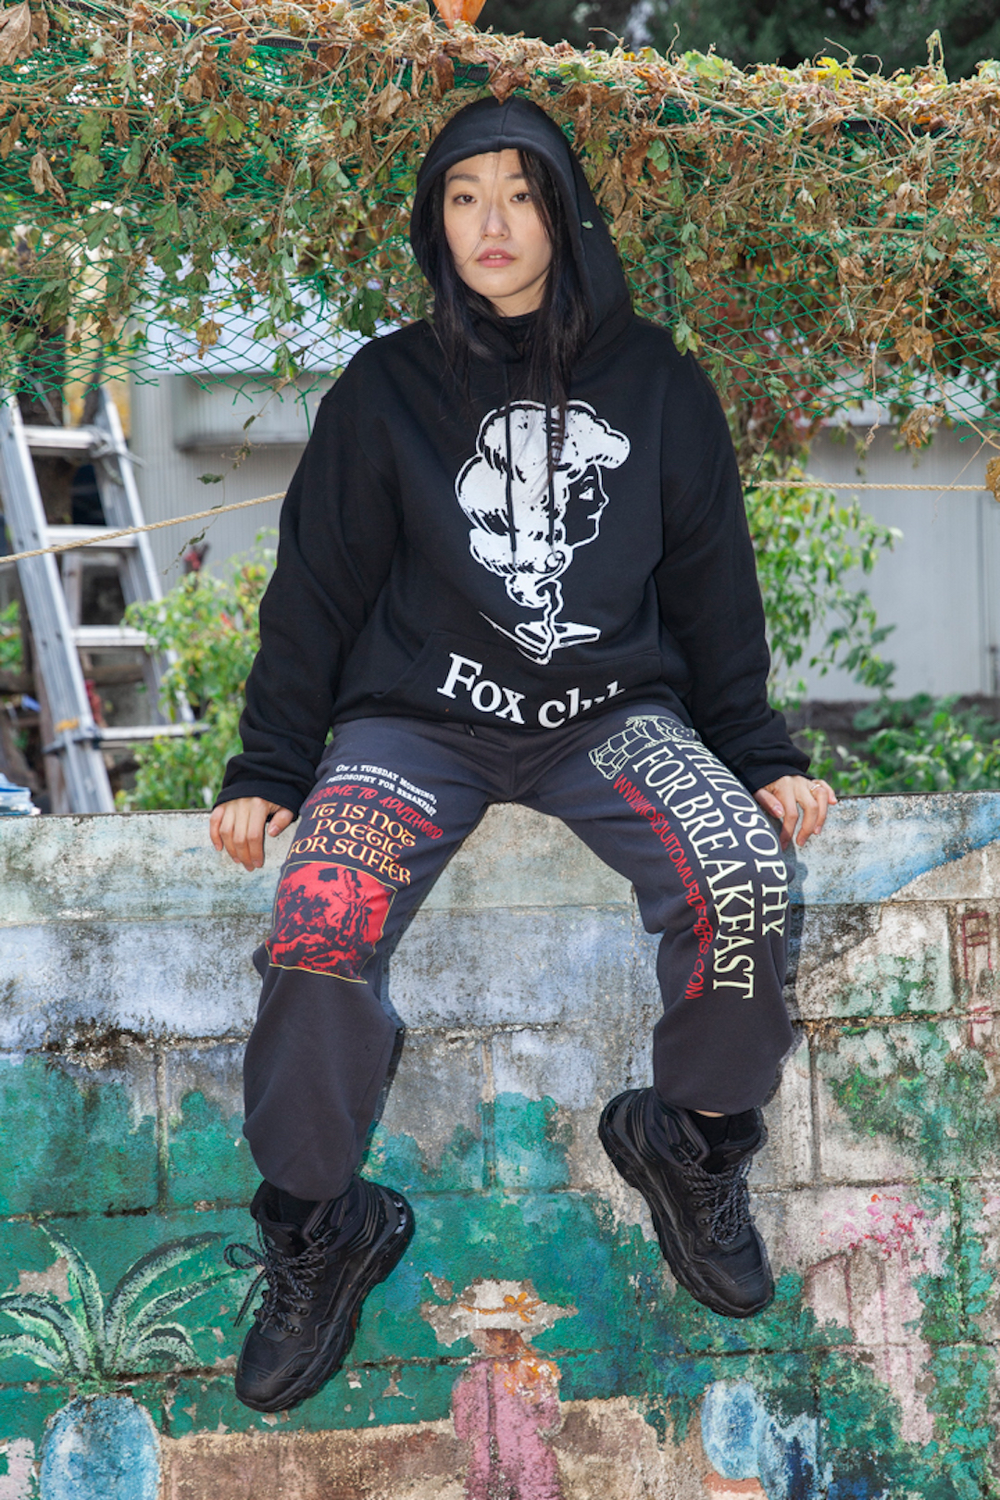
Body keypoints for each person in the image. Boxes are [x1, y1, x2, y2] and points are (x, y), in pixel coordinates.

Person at [210, 95, 836, 1415]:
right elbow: (315, 590)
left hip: (609, 718)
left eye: (518, 192)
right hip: (415, 723)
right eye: (462, 196)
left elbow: (715, 594)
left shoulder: (658, 386)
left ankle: (692, 1139)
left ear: (564, 210)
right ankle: (320, 1226)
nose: (491, 222)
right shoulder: (386, 390)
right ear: (434, 223)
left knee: (741, 868)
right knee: (321, 916)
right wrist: (270, 768)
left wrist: (756, 750)